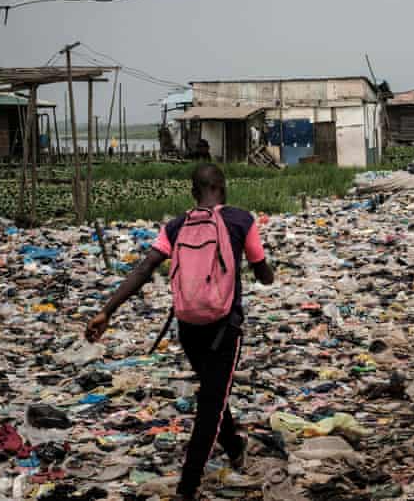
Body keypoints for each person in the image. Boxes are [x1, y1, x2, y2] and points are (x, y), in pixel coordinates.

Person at [85, 163, 274, 500]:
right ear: (223, 187)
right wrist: (261, 269)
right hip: (223, 329)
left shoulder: (175, 227)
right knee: (211, 402)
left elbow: (145, 268)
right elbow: (263, 274)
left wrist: (106, 311)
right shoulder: (242, 220)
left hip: (188, 328)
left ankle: (234, 447)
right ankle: (188, 487)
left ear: (193, 192)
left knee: (215, 392)